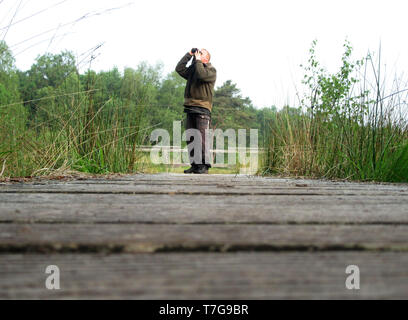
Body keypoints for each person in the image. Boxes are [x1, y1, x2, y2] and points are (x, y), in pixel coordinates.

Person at [175, 48, 217, 174]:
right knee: (191, 138)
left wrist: (197, 61)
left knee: (202, 138)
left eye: (201, 53)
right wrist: (189, 55)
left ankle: (204, 166)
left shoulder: (211, 70)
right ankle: (195, 165)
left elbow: (201, 74)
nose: (198, 54)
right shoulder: (194, 70)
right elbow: (179, 69)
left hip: (202, 108)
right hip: (190, 107)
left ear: (206, 58)